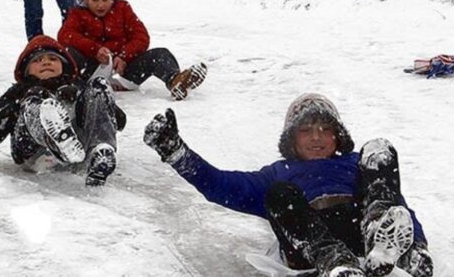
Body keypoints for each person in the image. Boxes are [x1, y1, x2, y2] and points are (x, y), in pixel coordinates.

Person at [143, 93, 434, 277]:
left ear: (338, 136)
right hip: (309, 238)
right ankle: (335, 262)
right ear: (291, 139)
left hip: (359, 225)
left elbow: (400, 208)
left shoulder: (355, 162)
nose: (316, 138)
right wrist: (177, 153)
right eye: (306, 131)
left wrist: (417, 245)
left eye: (325, 130)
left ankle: (387, 248)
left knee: (379, 149)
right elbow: (220, 185)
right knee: (279, 194)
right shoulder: (278, 172)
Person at [0, 35, 126, 186]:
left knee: (99, 84)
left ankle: (100, 151)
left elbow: (120, 120)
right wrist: (17, 105)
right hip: (34, 153)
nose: (46, 62)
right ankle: (55, 137)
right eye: (37, 60)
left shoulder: (76, 85)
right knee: (34, 100)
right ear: (26, 70)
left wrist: (80, 97)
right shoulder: (19, 91)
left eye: (53, 58)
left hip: (78, 152)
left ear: (64, 65)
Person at [58, 0, 207, 100]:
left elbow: (141, 36)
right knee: (69, 53)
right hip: (90, 72)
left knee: (160, 54)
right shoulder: (78, 13)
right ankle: (70, 89)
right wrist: (95, 50)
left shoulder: (123, 8)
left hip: (125, 73)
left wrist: (124, 56)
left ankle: (175, 81)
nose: (100, 5)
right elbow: (65, 36)